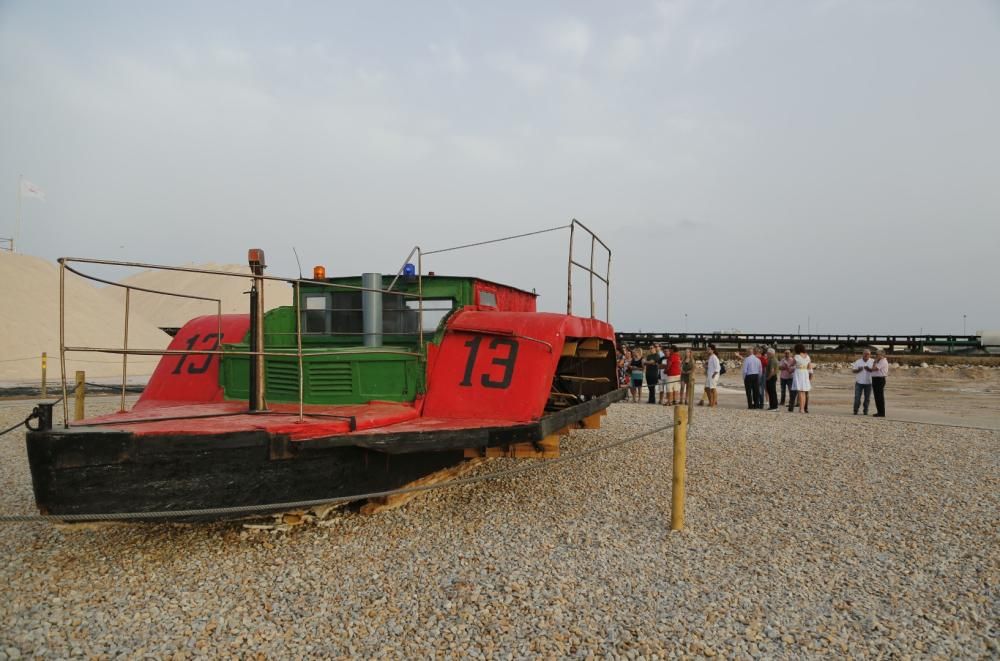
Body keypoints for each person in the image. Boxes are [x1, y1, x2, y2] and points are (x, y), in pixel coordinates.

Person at [851, 349, 874, 415]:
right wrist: (858, 370)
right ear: (863, 354)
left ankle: (865, 411)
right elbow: (853, 371)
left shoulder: (872, 361)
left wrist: (869, 369)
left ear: (870, 355)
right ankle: (855, 410)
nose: (866, 355)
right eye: (865, 354)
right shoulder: (858, 361)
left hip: (869, 383)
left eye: (868, 354)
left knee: (867, 398)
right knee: (857, 398)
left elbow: (875, 371)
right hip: (859, 382)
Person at [791, 343, 812, 413]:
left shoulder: (796, 356)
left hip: (799, 373)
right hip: (805, 373)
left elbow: (791, 364)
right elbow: (809, 367)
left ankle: (801, 409)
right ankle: (802, 408)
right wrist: (810, 375)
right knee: (804, 392)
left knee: (800, 391)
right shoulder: (807, 356)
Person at [871, 349, 889, 417]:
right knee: (877, 397)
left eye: (877, 354)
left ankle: (881, 413)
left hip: (879, 379)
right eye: (876, 354)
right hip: (876, 379)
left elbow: (874, 369)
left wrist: (874, 362)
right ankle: (879, 411)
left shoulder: (883, 361)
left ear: (882, 355)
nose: (876, 356)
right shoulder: (879, 361)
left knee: (879, 397)